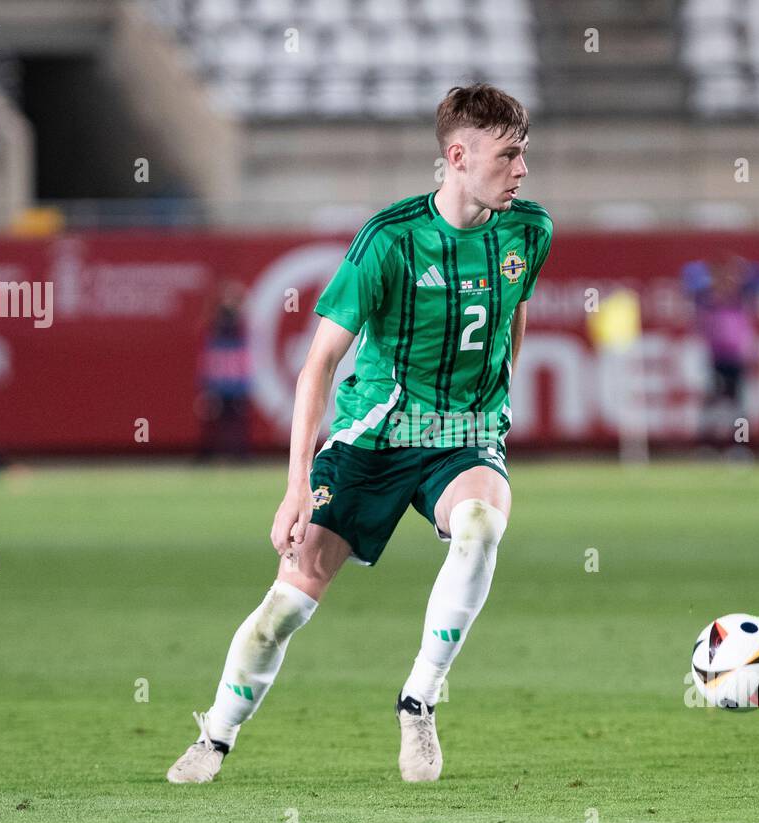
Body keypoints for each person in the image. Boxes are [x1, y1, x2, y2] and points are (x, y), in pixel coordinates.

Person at [167, 84, 551, 784]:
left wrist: (499, 395)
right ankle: (214, 737)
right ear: (459, 156)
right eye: (510, 154)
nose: (523, 169)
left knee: (481, 524)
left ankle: (419, 700)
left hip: (461, 434)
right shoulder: (390, 241)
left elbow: (513, 313)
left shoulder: (528, 231)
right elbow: (318, 365)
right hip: (373, 436)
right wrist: (294, 489)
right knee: (283, 609)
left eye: (524, 153)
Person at [681, 255, 759, 446]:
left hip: (737, 359)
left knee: (739, 405)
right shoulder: (705, 300)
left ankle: (740, 445)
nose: (724, 283)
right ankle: (707, 445)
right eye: (718, 278)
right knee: (710, 404)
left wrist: (741, 267)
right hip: (713, 359)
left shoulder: (741, 299)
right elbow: (688, 274)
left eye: (727, 278)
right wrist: (708, 269)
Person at [195, 278, 252, 459]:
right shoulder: (216, 324)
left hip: (234, 381)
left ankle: (239, 455)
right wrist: (207, 384)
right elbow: (211, 354)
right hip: (220, 381)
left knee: (236, 421)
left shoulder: (242, 324)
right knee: (214, 421)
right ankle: (208, 455)